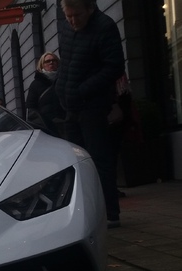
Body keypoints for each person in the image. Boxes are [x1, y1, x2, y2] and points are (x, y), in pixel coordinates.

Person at [55, 0, 125, 228]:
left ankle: (110, 213)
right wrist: (61, 89)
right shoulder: (66, 27)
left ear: (89, 9)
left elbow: (114, 67)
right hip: (71, 105)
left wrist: (82, 89)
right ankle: (85, 213)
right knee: (77, 162)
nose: (73, 21)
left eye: (77, 16)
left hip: (93, 105)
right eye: (69, 17)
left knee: (99, 159)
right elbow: (66, 61)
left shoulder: (104, 27)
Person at [26, 52, 65, 138]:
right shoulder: (36, 84)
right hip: (47, 127)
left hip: (66, 124)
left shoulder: (64, 79)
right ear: (42, 65)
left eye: (54, 60)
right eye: (47, 61)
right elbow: (31, 108)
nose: (51, 62)